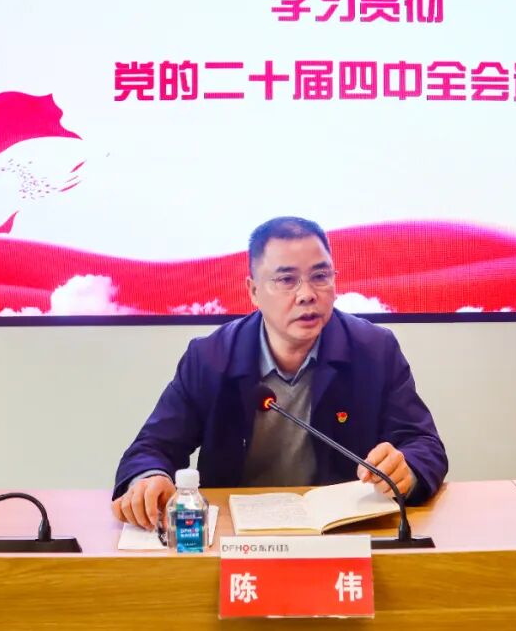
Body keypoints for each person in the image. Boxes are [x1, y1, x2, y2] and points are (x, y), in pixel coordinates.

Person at [112, 216, 448, 530]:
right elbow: (152, 447)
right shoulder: (210, 358)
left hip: (341, 533)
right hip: (236, 536)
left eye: (320, 276)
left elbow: (424, 444)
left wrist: (407, 469)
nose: (307, 295)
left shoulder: (374, 350)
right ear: (254, 291)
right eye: (287, 280)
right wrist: (149, 478)